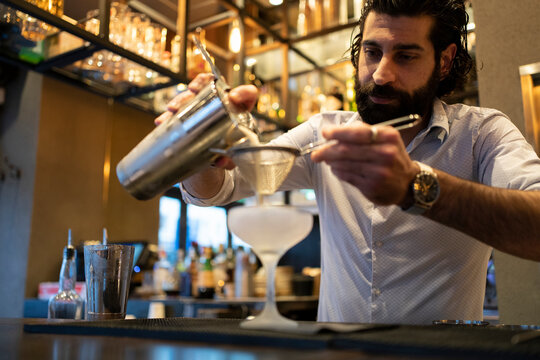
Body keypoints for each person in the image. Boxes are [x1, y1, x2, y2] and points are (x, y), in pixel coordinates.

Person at [155, 0, 540, 324]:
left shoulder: (481, 134)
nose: (381, 74)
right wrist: (202, 148)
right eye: (372, 52)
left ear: (444, 61)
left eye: (405, 56)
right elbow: (222, 187)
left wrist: (417, 186)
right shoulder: (324, 131)